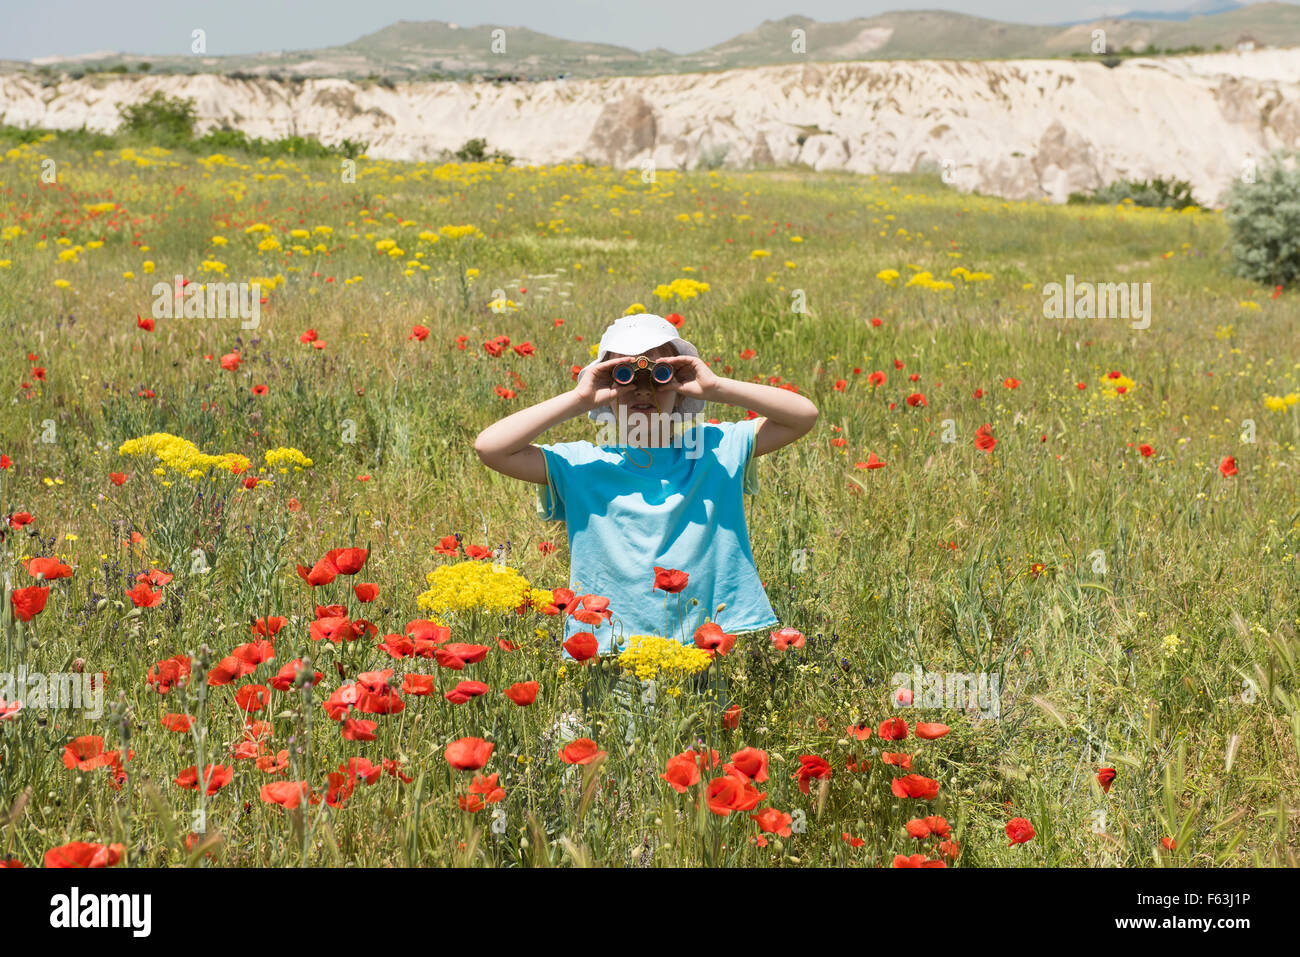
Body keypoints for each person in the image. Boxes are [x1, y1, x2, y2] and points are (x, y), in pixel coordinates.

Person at [474, 314, 818, 654]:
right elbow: (490, 447)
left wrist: (715, 387)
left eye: (659, 375)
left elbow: (803, 415)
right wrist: (581, 398)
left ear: (680, 387)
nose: (642, 388)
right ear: (607, 389)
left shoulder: (715, 450)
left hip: (703, 649)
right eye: (623, 376)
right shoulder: (582, 465)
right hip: (609, 650)